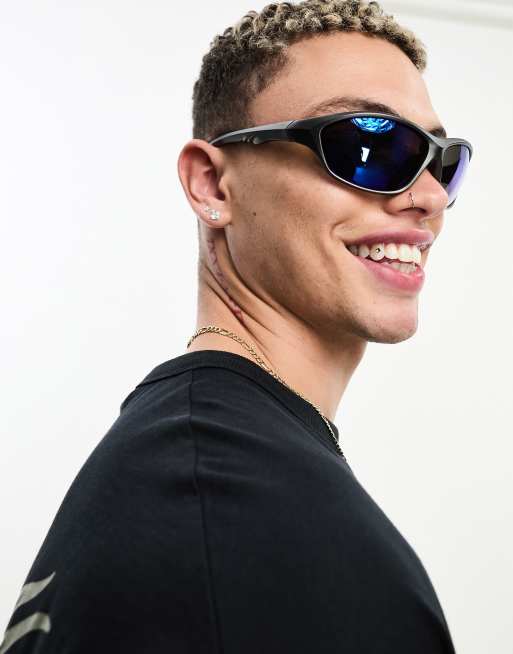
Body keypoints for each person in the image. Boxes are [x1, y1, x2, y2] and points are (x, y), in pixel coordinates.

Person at [1, 1, 472, 652]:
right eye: (367, 145)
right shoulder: (242, 515)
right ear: (212, 186)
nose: (429, 197)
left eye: (442, 161)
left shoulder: (188, 468)